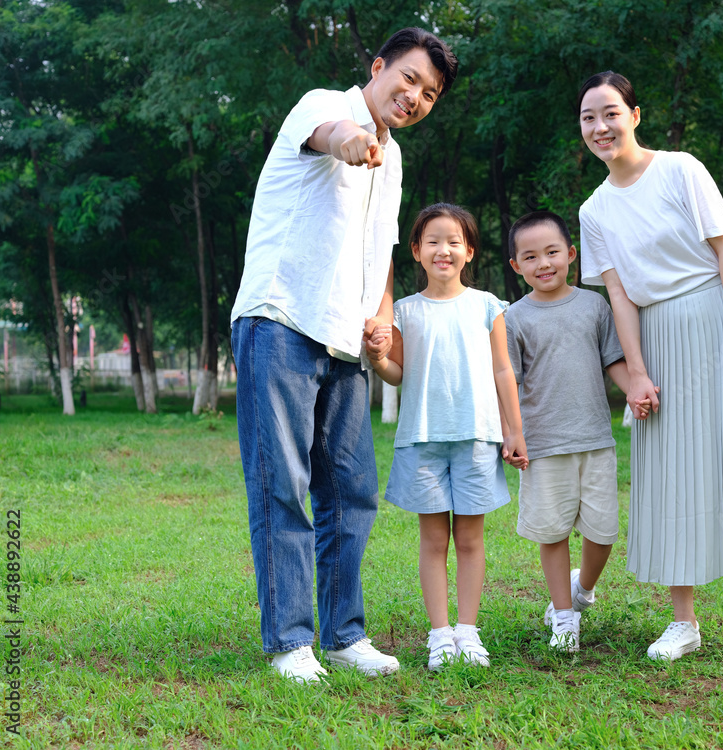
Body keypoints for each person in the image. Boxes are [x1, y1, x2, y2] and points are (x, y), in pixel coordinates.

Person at [229, 28, 458, 684]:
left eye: (430, 93)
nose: (415, 96)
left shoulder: (399, 158)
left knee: (351, 490)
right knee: (282, 484)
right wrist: (352, 143)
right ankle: (289, 642)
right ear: (380, 67)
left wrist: (381, 318)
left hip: (344, 340)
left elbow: (379, 250)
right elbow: (330, 135)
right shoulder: (322, 103)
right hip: (281, 318)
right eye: (409, 79)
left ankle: (344, 635)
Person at [576, 71, 723, 664]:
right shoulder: (594, 210)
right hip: (655, 337)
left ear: (635, 114)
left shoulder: (681, 169)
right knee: (667, 474)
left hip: (713, 320)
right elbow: (619, 297)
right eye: (588, 118)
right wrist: (639, 373)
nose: (600, 126)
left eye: (610, 113)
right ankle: (683, 622)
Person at [369, 203, 528, 671]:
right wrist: (378, 359)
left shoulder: (487, 306)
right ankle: (439, 635)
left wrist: (513, 430)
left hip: (477, 437)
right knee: (434, 540)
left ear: (469, 251)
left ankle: (467, 631)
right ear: (416, 252)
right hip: (422, 439)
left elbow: (503, 370)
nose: (444, 249)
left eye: (454, 241)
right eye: (433, 241)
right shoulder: (403, 312)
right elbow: (397, 373)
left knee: (472, 541)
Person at [505, 211, 655, 652]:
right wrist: (511, 433)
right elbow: (508, 381)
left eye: (552, 252)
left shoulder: (594, 305)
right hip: (544, 445)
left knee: (603, 532)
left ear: (570, 254)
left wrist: (634, 391)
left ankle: (582, 589)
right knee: (552, 533)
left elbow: (613, 362)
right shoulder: (514, 318)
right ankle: (564, 618)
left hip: (594, 440)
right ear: (516, 266)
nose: (543, 263)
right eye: (530, 256)